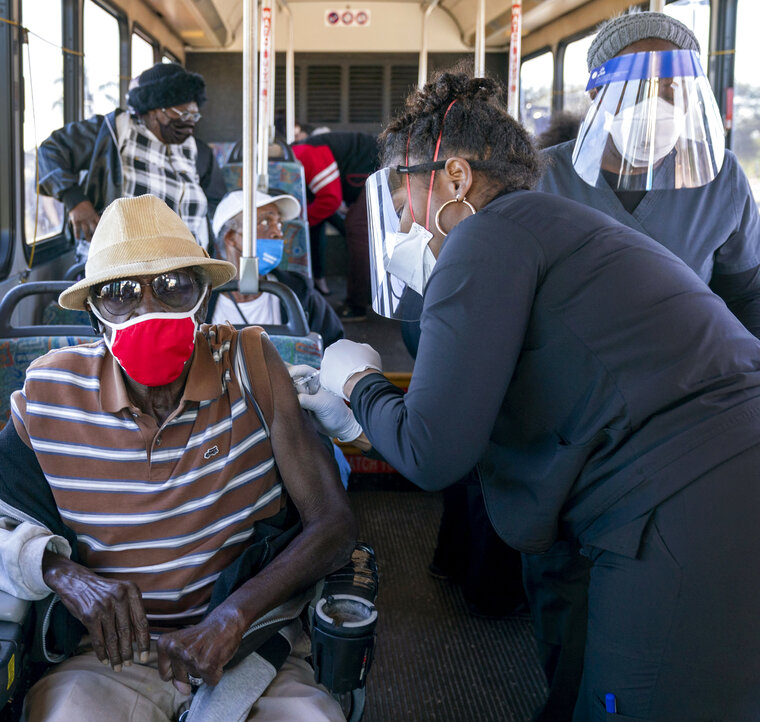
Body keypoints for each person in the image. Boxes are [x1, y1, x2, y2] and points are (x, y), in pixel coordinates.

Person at [298, 69, 760, 721]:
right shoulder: (545, 224)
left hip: (689, 498)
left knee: (635, 704)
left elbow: (433, 453)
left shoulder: (485, 238)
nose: (404, 214)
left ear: (454, 179)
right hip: (712, 479)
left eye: (406, 188)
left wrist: (357, 378)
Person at [0, 195, 354, 721]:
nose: (148, 309)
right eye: (121, 295)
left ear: (202, 300)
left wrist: (233, 617)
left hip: (250, 643)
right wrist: (65, 574)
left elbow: (334, 524)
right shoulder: (50, 393)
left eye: (173, 288)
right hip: (110, 658)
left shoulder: (252, 364)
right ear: (96, 314)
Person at [527, 10, 760, 720]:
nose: (658, 108)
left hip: (678, 427)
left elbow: (747, 299)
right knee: (566, 593)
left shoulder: (719, 186)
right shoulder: (542, 184)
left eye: (674, 89)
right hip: (567, 423)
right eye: (640, 87)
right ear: (597, 94)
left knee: (659, 602)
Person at [37, 63, 227, 249]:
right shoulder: (112, 132)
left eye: (194, 115)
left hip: (185, 263)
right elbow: (50, 151)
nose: (190, 122)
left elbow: (217, 203)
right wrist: (75, 199)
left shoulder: (198, 152)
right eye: (182, 113)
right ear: (154, 109)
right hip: (120, 261)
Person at [210, 189, 344, 349]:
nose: (278, 233)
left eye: (278, 223)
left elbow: (335, 345)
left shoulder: (298, 292)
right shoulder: (200, 301)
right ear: (231, 237)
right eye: (265, 222)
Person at [291, 132, 379, 320]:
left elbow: (330, 200)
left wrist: (300, 227)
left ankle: (357, 305)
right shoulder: (298, 154)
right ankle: (370, 294)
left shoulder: (303, 154)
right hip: (366, 168)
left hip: (380, 165)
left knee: (357, 227)